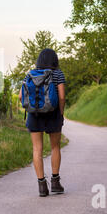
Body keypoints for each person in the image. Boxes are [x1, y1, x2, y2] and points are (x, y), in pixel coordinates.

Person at [18, 48, 65, 197]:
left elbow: (20, 96)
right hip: (53, 114)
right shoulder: (58, 74)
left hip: (34, 114)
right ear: (54, 60)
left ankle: (42, 187)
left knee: (37, 149)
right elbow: (62, 97)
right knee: (55, 147)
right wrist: (61, 113)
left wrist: (31, 107)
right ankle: (56, 183)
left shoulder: (30, 74)